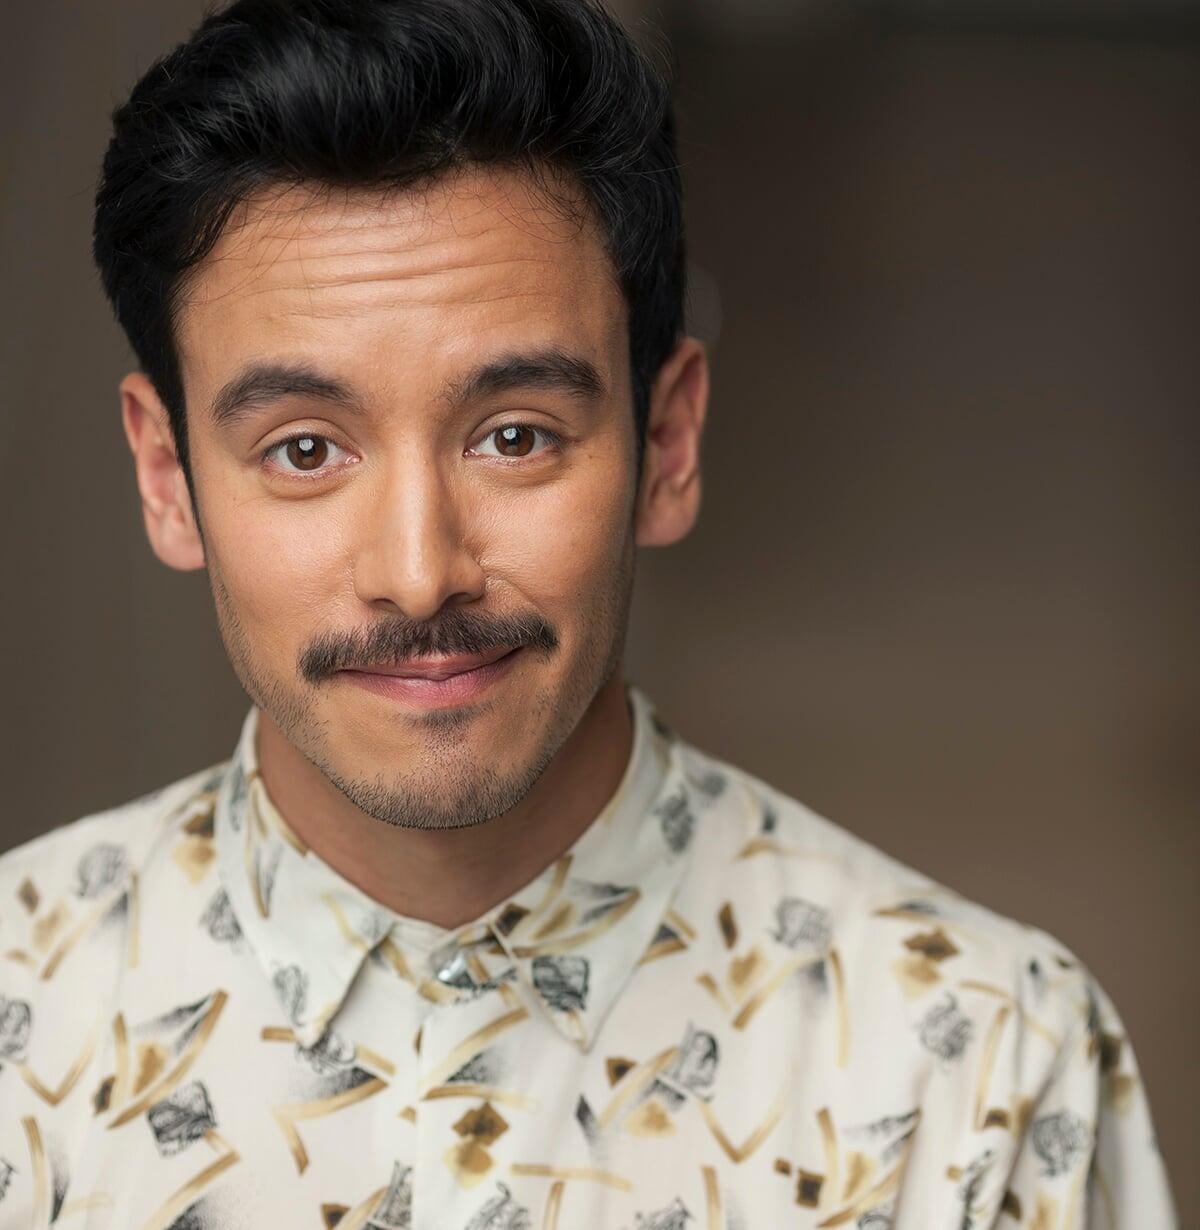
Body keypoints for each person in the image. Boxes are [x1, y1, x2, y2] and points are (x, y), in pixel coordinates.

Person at [0, 0, 1178, 1225]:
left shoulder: (982, 1073)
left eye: (515, 436)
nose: (419, 571)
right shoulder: (15, 1034)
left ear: (666, 443)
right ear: (166, 476)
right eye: (305, 450)